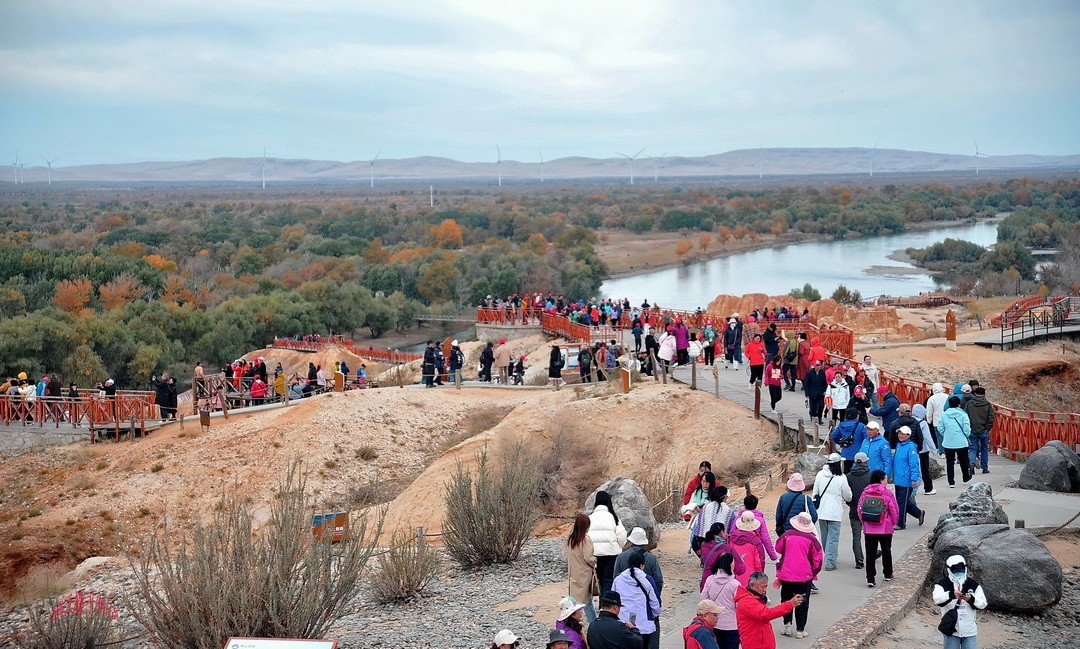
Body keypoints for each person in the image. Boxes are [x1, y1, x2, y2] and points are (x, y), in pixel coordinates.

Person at [774, 512, 822, 639]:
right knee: (802, 602)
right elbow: (818, 560)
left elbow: (778, 548)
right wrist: (812, 573)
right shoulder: (812, 539)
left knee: (786, 600)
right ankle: (800, 630)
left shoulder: (786, 535)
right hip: (803, 576)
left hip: (786, 574)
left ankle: (787, 626)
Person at [734, 572, 803, 649]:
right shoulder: (747, 601)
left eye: (766, 586)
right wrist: (790, 604)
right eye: (762, 587)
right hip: (756, 644)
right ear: (752, 585)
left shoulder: (753, 597)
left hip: (761, 642)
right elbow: (766, 614)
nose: (765, 590)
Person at [932, 555, 988, 649]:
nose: (958, 573)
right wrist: (951, 595)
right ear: (949, 569)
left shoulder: (973, 584)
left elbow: (983, 603)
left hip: (969, 630)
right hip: (951, 629)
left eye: (960, 570)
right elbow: (937, 599)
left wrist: (971, 599)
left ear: (965, 568)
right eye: (955, 570)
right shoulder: (942, 584)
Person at [613, 548, 662, 649]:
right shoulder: (647, 579)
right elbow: (654, 601)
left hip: (623, 621)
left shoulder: (618, 579)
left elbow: (613, 597)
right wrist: (655, 614)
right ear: (642, 565)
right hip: (643, 623)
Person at [858, 469, 899, 588]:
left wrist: (864, 522)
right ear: (881, 480)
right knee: (886, 550)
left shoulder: (865, 492)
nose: (887, 481)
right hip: (885, 527)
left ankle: (870, 578)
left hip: (869, 527)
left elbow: (860, 509)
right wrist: (893, 523)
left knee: (870, 553)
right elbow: (894, 510)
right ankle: (887, 573)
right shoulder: (887, 493)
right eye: (885, 479)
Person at [812, 453, 852, 571]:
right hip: (835, 510)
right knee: (833, 538)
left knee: (825, 536)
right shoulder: (841, 477)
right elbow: (847, 496)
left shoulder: (820, 474)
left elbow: (815, 492)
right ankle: (830, 562)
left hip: (822, 509)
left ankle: (828, 556)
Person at [589, 491, 627, 595]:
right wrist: (620, 546)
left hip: (595, 554)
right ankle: (605, 605)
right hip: (611, 553)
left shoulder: (590, 517)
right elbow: (622, 535)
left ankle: (601, 602)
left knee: (599, 579)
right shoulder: (613, 517)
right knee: (609, 579)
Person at [700, 554, 740, 649]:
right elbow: (739, 606)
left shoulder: (710, 580)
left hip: (714, 623)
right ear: (729, 565)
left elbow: (703, 598)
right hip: (731, 625)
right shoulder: (735, 584)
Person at [614, 527, 664, 598]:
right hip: (645, 597)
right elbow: (658, 580)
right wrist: (655, 596)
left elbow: (616, 578)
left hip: (625, 597)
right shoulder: (651, 558)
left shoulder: (620, 557)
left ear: (631, 540)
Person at [567, 514, 598, 623]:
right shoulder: (585, 539)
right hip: (584, 575)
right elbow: (589, 558)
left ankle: (572, 624)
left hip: (573, 574)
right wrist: (595, 563)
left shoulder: (571, 539)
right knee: (587, 602)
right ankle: (594, 625)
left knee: (574, 603)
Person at [893, 426, 926, 529]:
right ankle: (918, 513)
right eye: (899, 433)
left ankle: (901, 523)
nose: (900, 435)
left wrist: (914, 478)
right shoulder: (899, 445)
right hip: (898, 478)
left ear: (908, 435)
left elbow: (914, 464)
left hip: (906, 479)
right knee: (902, 501)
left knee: (902, 503)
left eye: (903, 434)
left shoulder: (911, 447)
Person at [846, 452, 873, 569]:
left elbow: (847, 494)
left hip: (854, 510)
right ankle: (872, 555)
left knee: (856, 536)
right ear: (865, 462)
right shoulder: (871, 475)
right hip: (869, 510)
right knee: (870, 535)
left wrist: (851, 504)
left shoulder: (849, 476)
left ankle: (859, 560)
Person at [939, 396, 972, 488]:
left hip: (948, 442)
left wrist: (945, 434)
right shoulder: (963, 414)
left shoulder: (944, 415)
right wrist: (966, 434)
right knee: (963, 461)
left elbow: (940, 427)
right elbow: (966, 427)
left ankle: (951, 482)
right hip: (961, 441)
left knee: (950, 463)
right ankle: (965, 477)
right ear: (959, 404)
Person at [727, 511, 768, 587]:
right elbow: (759, 563)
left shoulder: (731, 538)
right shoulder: (755, 541)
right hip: (751, 579)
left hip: (733, 577)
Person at [963, 386, 995, 475]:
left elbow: (965, 416)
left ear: (975, 393)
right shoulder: (988, 404)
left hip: (972, 429)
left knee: (972, 448)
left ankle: (972, 463)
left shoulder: (970, 404)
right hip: (984, 430)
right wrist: (987, 428)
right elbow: (991, 417)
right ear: (984, 394)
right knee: (984, 449)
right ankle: (984, 468)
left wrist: (969, 426)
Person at [774, 473, 817, 538]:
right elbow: (814, 516)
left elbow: (779, 516)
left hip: (787, 531)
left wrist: (779, 528)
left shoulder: (783, 497)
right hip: (802, 532)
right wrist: (807, 526)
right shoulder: (806, 499)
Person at [913, 404, 939, 495]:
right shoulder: (922, 423)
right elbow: (928, 438)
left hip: (911, 449)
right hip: (923, 450)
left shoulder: (910, 421)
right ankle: (928, 488)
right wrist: (934, 450)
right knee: (924, 470)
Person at [831, 408, 868, 474]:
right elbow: (866, 439)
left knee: (846, 472)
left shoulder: (841, 425)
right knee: (859, 473)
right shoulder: (861, 426)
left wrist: (840, 442)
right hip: (858, 454)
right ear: (857, 416)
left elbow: (834, 435)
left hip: (845, 454)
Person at [802, 362, 827, 426]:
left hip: (820, 392)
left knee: (821, 406)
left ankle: (820, 418)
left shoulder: (822, 373)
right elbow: (806, 383)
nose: (818, 367)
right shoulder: (810, 373)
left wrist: (825, 390)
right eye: (816, 366)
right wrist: (807, 393)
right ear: (814, 366)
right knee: (813, 406)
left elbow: (824, 382)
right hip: (812, 392)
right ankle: (813, 417)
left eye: (819, 365)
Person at [926, 382, 949, 449]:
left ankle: (942, 452)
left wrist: (929, 421)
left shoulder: (932, 398)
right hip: (947, 419)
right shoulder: (947, 396)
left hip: (937, 421)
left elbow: (929, 411)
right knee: (947, 436)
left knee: (939, 437)